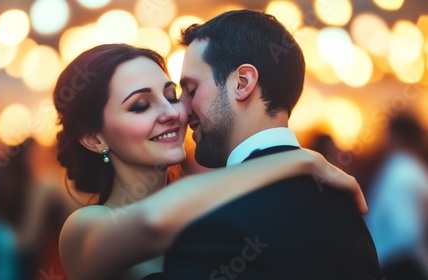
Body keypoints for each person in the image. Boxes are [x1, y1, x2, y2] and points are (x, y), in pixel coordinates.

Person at [55, 44, 367, 280]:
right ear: (94, 139)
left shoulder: (217, 213)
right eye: (140, 105)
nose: (174, 113)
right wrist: (300, 161)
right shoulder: (83, 228)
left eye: (172, 95)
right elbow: (153, 222)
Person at [159, 10, 382, 279]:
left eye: (192, 89)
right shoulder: (345, 203)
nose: (181, 110)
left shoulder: (214, 214)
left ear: (242, 83)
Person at [365, 114, 428, 279]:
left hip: (399, 267)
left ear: (395, 136)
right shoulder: (414, 169)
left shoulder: (401, 171)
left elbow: (407, 232)